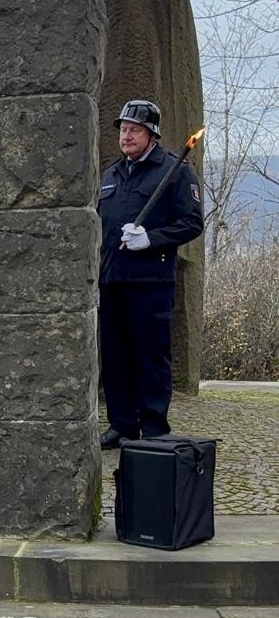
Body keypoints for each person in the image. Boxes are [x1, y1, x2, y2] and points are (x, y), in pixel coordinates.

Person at [98, 100, 204, 450]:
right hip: (112, 279)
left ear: (151, 134)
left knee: (150, 355)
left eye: (134, 130)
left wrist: (151, 239)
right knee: (116, 357)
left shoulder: (173, 171)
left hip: (151, 282)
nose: (126, 136)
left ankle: (155, 427)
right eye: (123, 129)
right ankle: (122, 424)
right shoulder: (111, 174)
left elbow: (192, 223)